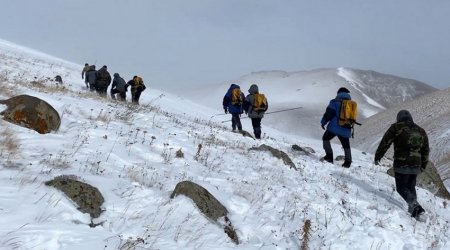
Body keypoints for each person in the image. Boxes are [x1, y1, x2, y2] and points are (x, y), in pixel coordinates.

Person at [374, 110, 429, 218]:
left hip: (402, 162)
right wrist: (423, 164)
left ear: (398, 118)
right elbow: (426, 149)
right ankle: (413, 211)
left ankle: (416, 207)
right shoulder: (421, 130)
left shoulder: (396, 127)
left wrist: (378, 156)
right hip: (416, 164)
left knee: (401, 187)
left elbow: (385, 142)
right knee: (410, 186)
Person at [320, 87, 353, 168]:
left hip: (334, 127)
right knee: (346, 145)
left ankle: (329, 157)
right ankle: (348, 162)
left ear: (338, 93)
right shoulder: (351, 104)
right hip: (346, 128)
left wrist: (323, 122)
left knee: (325, 138)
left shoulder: (334, 102)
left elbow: (328, 114)